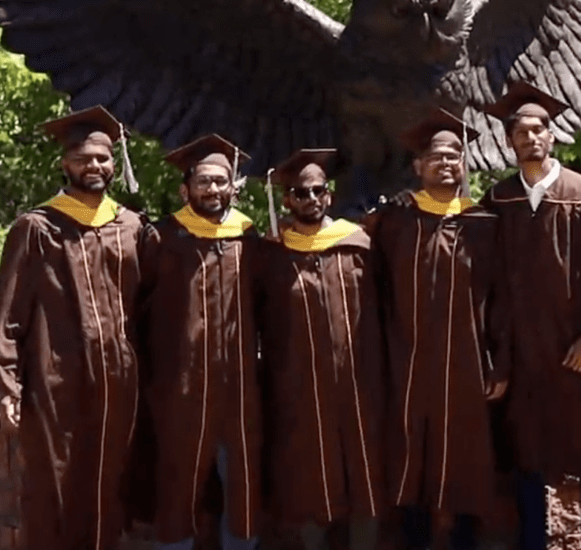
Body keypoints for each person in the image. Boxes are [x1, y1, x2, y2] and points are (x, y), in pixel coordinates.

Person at [0, 106, 148, 549]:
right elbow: (7, 315)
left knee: (109, 486)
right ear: (65, 164)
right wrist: (8, 385)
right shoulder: (36, 227)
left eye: (102, 158)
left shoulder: (132, 227)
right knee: (55, 486)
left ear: (114, 164)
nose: (94, 166)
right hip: (57, 382)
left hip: (120, 384)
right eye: (83, 158)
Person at [370, 108, 512, 550]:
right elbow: (374, 295)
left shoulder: (484, 224)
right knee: (411, 455)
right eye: (436, 157)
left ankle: (465, 540)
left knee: (467, 454)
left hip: (468, 364)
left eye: (454, 155)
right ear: (417, 166)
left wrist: (501, 362)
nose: (446, 163)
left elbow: (502, 301)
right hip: (407, 362)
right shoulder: (395, 223)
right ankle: (413, 538)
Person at [480, 82, 581, 550]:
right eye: (521, 133)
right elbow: (488, 285)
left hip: (575, 353)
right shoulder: (497, 201)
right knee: (528, 461)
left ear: (552, 136)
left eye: (539, 130)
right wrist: (500, 357)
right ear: (510, 142)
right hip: (523, 357)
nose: (531, 139)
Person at [254, 149, 385, 550]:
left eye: (318, 190)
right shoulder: (270, 256)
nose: (310, 198)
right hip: (299, 389)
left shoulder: (359, 244)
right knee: (309, 471)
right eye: (300, 192)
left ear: (329, 196)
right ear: (288, 200)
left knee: (365, 470)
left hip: (359, 385)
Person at [139, 135, 261, 550]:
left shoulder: (249, 239)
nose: (213, 189)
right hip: (180, 387)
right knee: (178, 482)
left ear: (233, 186)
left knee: (243, 482)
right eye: (204, 181)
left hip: (240, 388)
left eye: (221, 181)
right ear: (185, 188)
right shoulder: (161, 239)